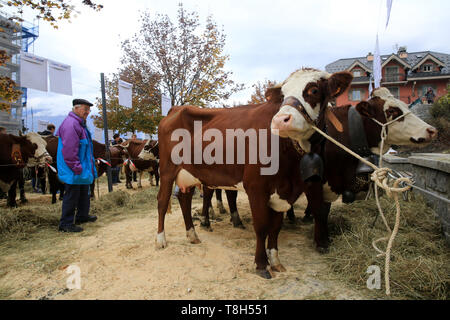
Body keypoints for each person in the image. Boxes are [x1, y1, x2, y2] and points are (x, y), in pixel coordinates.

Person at [56, 99, 98, 233]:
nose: (87, 112)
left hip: (82, 167)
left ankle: (82, 216)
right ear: (76, 108)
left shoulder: (80, 124)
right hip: (74, 168)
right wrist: (76, 167)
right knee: (72, 194)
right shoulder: (71, 124)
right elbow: (69, 149)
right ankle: (66, 223)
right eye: (85, 109)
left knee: (83, 192)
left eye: (89, 110)